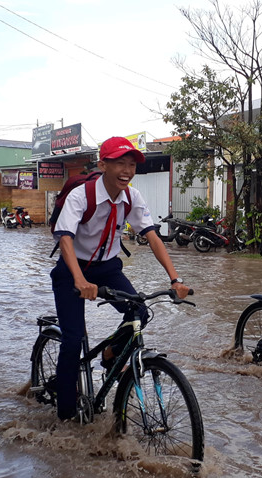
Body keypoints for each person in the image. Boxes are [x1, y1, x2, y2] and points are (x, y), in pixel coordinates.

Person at [51, 136, 190, 420]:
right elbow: (64, 238)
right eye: (120, 164)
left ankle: (110, 355)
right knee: (73, 339)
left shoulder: (131, 197)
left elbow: (152, 236)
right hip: (71, 269)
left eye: (131, 165)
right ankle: (65, 417)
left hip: (107, 269)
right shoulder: (82, 196)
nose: (127, 170)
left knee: (139, 311)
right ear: (103, 165)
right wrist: (79, 280)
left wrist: (175, 280)